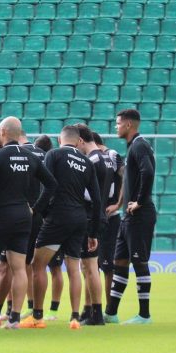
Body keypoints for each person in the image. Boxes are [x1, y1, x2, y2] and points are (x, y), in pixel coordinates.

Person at [0, 117, 57, 329]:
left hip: (0, 216)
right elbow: (52, 185)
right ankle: (15, 318)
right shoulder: (31, 157)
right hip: (23, 217)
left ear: (2, 132)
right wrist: (35, 208)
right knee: (18, 267)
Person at [24, 125, 102, 330]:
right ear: (78, 142)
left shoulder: (54, 155)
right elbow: (97, 199)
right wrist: (93, 232)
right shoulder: (86, 162)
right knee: (74, 268)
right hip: (79, 219)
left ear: (60, 139)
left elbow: (48, 186)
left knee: (37, 265)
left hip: (58, 216)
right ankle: (75, 318)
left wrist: (37, 210)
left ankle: (37, 316)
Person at [105, 109, 156, 325]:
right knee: (120, 261)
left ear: (128, 125)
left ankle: (144, 315)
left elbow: (148, 172)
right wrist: (119, 203)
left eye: (117, 123)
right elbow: (130, 177)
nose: (115, 127)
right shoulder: (133, 147)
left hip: (140, 214)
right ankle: (111, 313)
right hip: (129, 215)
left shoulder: (140, 145)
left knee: (139, 261)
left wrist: (140, 201)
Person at [75, 124, 111, 326]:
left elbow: (90, 194)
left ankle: (96, 313)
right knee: (88, 266)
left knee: (90, 266)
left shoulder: (93, 160)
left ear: (80, 140)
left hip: (91, 216)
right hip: (97, 215)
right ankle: (89, 310)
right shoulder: (102, 157)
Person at [95, 131, 124, 308]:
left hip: (110, 219)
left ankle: (109, 309)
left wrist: (118, 205)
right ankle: (93, 307)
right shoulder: (93, 158)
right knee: (91, 266)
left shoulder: (111, 155)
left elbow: (126, 176)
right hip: (94, 219)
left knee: (107, 267)